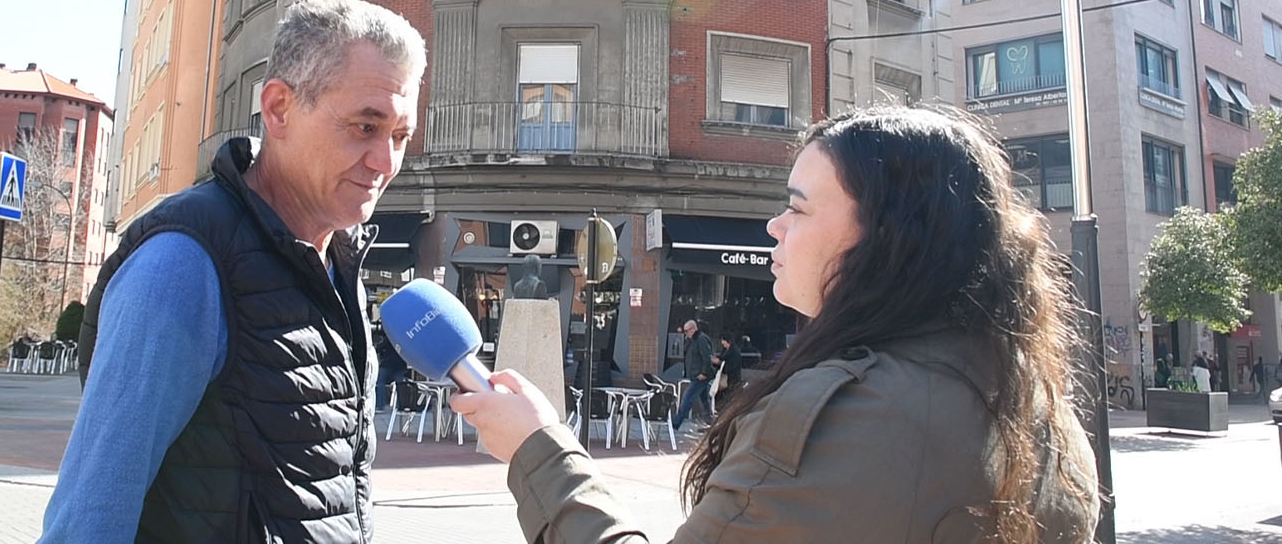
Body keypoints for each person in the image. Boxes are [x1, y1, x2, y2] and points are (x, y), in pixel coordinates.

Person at [452, 105, 1099, 542]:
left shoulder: (850, 417)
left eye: (798, 207)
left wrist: (539, 447)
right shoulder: (1040, 408)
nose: (774, 225)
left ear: (887, 237)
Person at [39, 0, 425, 544]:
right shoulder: (183, 265)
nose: (386, 162)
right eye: (366, 126)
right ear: (279, 108)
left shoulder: (337, 264)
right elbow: (88, 521)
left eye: (400, 136)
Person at [669, 319, 713, 432]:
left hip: (700, 376)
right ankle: (710, 420)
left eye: (687, 331)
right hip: (696, 374)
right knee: (704, 399)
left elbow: (706, 357)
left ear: (693, 329)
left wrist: (704, 373)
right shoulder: (693, 340)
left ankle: (677, 422)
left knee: (688, 397)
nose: (685, 333)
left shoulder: (701, 339)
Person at [711, 333, 744, 413]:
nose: (722, 343)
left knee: (729, 395)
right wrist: (716, 362)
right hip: (724, 377)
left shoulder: (735, 352)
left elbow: (734, 366)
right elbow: (722, 358)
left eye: (724, 341)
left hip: (732, 378)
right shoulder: (726, 350)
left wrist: (721, 364)